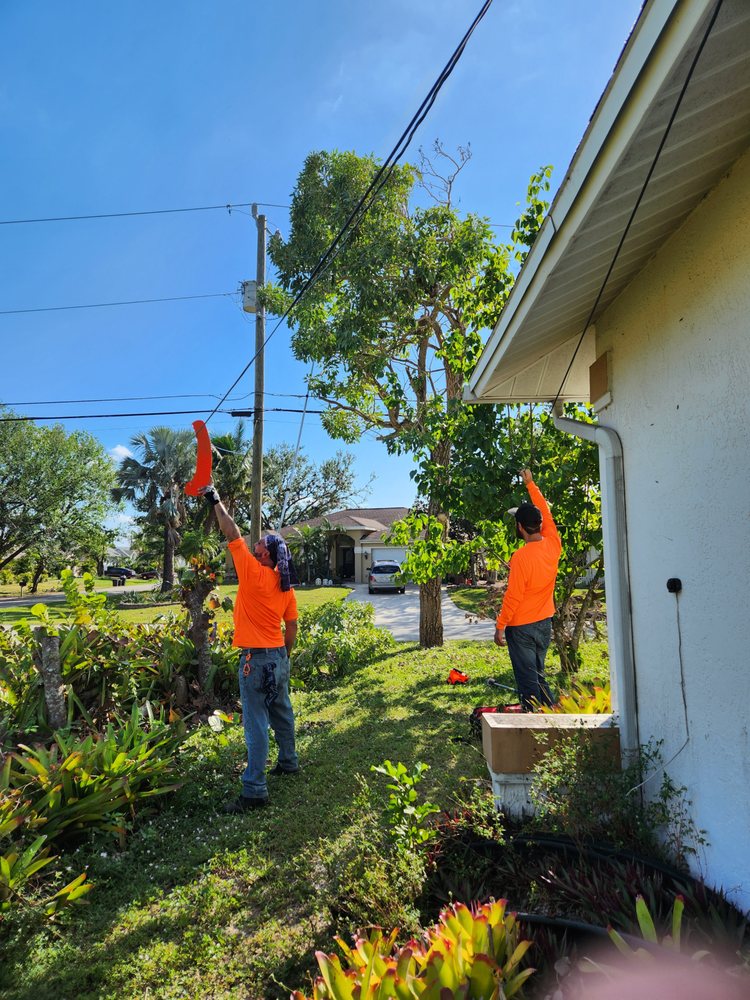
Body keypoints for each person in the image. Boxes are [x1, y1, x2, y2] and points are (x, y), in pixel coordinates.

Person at [201, 484, 300, 812]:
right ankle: (289, 762)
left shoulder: (251, 572)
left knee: (256, 724)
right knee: (282, 712)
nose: (254, 540)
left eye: (260, 540)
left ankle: (255, 791)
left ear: (265, 553)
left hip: (254, 662)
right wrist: (284, 655)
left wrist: (215, 497)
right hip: (276, 657)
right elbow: (293, 627)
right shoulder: (285, 586)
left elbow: (231, 529)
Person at [494, 469, 561, 711]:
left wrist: (501, 625)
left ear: (520, 527)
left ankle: (534, 728)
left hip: (521, 627)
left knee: (528, 681)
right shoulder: (553, 545)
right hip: (544, 623)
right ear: (540, 525)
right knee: (538, 675)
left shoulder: (521, 557)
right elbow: (546, 511)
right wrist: (531, 484)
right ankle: (552, 717)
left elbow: (514, 595)